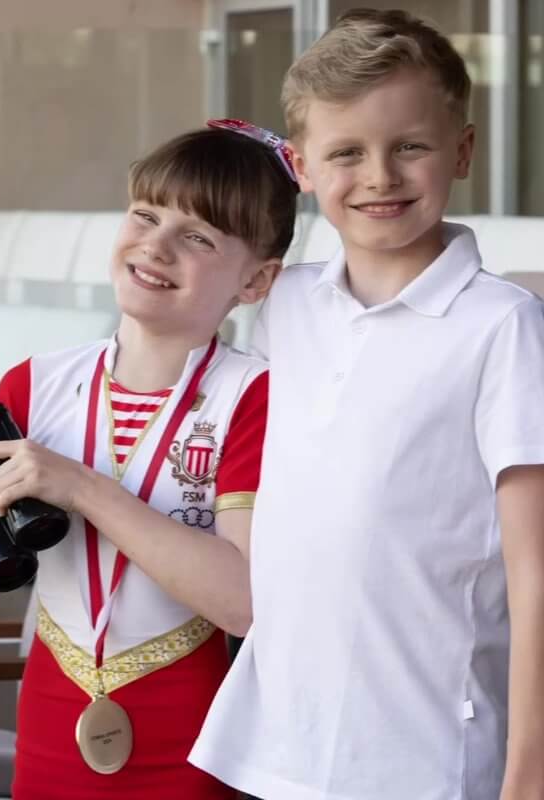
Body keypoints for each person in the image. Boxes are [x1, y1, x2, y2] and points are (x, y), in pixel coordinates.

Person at [0, 125, 298, 800]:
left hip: (194, 741)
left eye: (198, 237)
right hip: (49, 722)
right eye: (145, 214)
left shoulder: (254, 396)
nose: (156, 245)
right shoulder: (35, 386)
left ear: (256, 280)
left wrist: (82, 487)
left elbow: (243, 603)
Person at [189, 9, 544, 800]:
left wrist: (530, 770)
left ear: (463, 150)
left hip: (428, 761)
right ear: (302, 166)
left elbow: (536, 570)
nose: (380, 175)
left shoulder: (504, 328)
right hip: (279, 749)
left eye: (409, 146)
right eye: (346, 152)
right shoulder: (285, 301)